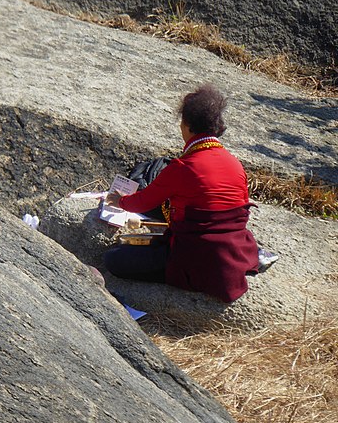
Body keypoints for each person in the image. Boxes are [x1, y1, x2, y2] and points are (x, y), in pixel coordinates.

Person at [105, 83, 278, 303]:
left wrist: (120, 200)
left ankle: (189, 278)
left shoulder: (183, 167)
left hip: (192, 256)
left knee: (114, 259)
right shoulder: (235, 164)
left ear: (187, 126)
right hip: (233, 251)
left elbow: (141, 202)